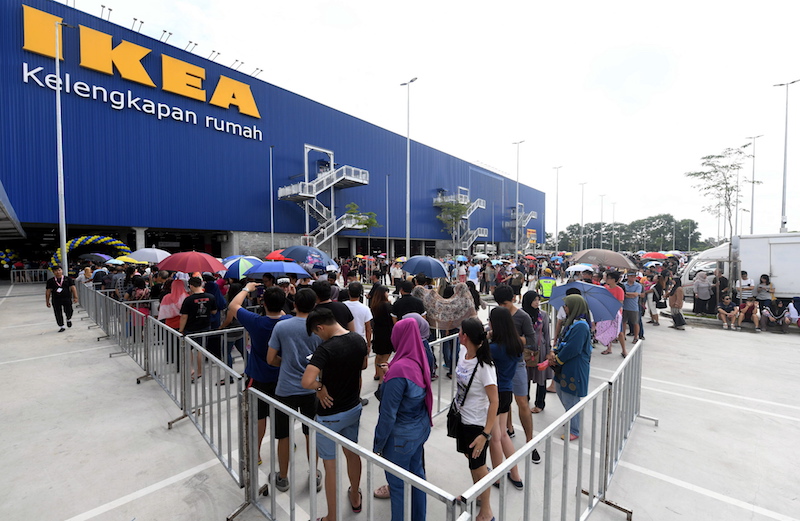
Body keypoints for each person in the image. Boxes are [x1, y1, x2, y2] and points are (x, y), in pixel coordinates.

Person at [302, 308, 369, 521]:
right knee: (352, 453)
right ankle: (355, 496)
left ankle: (332, 516)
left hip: (329, 415)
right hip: (353, 408)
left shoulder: (325, 349)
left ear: (320, 327)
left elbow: (306, 381)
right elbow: (363, 365)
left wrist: (320, 387)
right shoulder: (358, 340)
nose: (318, 337)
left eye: (317, 333)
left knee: (330, 466)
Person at [372, 317, 433, 521]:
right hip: (419, 430)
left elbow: (387, 414)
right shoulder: (418, 358)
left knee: (397, 488)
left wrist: (378, 444)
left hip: (400, 438)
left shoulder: (399, 369)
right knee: (418, 477)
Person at [266, 288, 322, 493]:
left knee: (283, 435)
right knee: (311, 433)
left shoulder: (282, 326)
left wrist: (287, 362)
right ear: (314, 305)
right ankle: (314, 473)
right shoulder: (319, 328)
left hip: (285, 389)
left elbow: (271, 358)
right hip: (311, 389)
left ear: (294, 304)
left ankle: (282, 477)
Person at [229, 284, 289, 463]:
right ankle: (285, 444)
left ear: (263, 303)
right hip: (283, 377)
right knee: (283, 415)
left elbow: (233, 306)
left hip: (258, 377)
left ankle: (255, 454)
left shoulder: (256, 321)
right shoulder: (289, 322)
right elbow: (284, 315)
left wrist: (246, 289)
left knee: (259, 417)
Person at [454, 317, 498, 521]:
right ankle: (478, 493)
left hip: (477, 424)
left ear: (466, 336)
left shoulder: (485, 366)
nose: (458, 334)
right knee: (471, 461)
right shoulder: (464, 353)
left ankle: (486, 511)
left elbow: (494, 401)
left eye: (460, 331)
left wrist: (485, 434)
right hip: (462, 418)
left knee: (479, 465)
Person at [491, 285, 536, 457]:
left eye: (504, 304)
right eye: (499, 304)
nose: (502, 308)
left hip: (517, 363)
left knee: (522, 402)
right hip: (499, 363)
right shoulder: (497, 314)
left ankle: (530, 440)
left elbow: (532, 340)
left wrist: (510, 338)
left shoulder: (522, 316)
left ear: (512, 300)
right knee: (504, 400)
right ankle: (507, 429)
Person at [487, 307, 526, 488]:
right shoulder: (516, 344)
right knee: (503, 434)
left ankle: (496, 476)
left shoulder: (493, 348)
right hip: (507, 392)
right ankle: (515, 474)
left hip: (494, 394)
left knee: (495, 437)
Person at [546, 294, 592, 441]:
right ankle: (571, 418)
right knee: (562, 391)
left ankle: (574, 429)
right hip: (566, 365)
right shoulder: (573, 323)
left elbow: (573, 348)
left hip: (574, 366)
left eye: (566, 306)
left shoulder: (581, 326)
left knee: (571, 398)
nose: (564, 308)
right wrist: (555, 351)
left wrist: (557, 359)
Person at [179, 276, 219, 381]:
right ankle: (200, 371)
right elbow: (214, 311)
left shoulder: (188, 300)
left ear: (191, 286)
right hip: (205, 325)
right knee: (201, 349)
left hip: (190, 327)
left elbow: (184, 316)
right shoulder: (211, 297)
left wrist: (180, 329)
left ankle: (191, 369)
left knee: (189, 349)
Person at [521, 290, 551, 415]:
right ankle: (524, 400)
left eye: (538, 300)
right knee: (525, 376)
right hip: (525, 349)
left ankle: (540, 403)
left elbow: (547, 333)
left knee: (541, 378)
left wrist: (549, 351)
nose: (537, 302)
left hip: (541, 349)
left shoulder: (543, 315)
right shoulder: (521, 315)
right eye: (534, 300)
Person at [370, 285, 394, 381]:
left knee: (378, 355)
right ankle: (381, 375)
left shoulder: (374, 305)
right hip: (387, 332)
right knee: (385, 356)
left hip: (377, 332)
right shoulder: (387, 305)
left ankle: (377, 373)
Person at [600, 272, 627, 356]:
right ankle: (609, 348)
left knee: (620, 332)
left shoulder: (619, 290)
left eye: (609, 278)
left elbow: (620, 303)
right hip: (606, 312)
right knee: (607, 330)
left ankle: (624, 350)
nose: (607, 279)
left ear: (614, 280)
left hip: (616, 313)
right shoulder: (605, 288)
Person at [45, 265, 78, 332]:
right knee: (57, 312)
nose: (58, 272)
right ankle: (61, 326)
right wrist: (47, 301)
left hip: (66, 298)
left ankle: (68, 318)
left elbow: (73, 288)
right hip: (56, 299)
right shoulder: (50, 281)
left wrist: (75, 297)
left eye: (59, 270)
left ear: (62, 271)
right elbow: (48, 291)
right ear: (53, 272)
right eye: (56, 271)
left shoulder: (68, 279)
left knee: (69, 310)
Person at [622, 272, 643, 342]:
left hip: (634, 307)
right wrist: (630, 295)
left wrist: (626, 294)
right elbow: (622, 294)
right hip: (624, 306)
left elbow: (635, 294)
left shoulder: (638, 285)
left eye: (634, 277)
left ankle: (636, 337)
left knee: (635, 323)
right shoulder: (623, 285)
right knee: (623, 322)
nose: (632, 278)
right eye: (631, 276)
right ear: (627, 277)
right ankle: (623, 335)